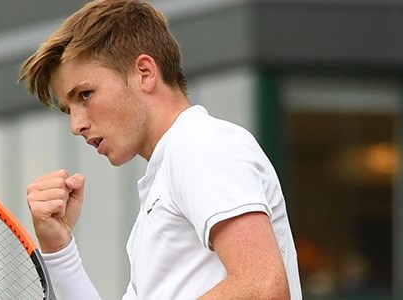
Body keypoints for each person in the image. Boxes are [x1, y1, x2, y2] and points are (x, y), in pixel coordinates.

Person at [19, 0, 301, 299]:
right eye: (68, 110)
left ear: (144, 72)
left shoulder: (200, 142)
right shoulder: (170, 173)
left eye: (85, 95)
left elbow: (262, 288)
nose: (76, 125)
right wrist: (59, 247)